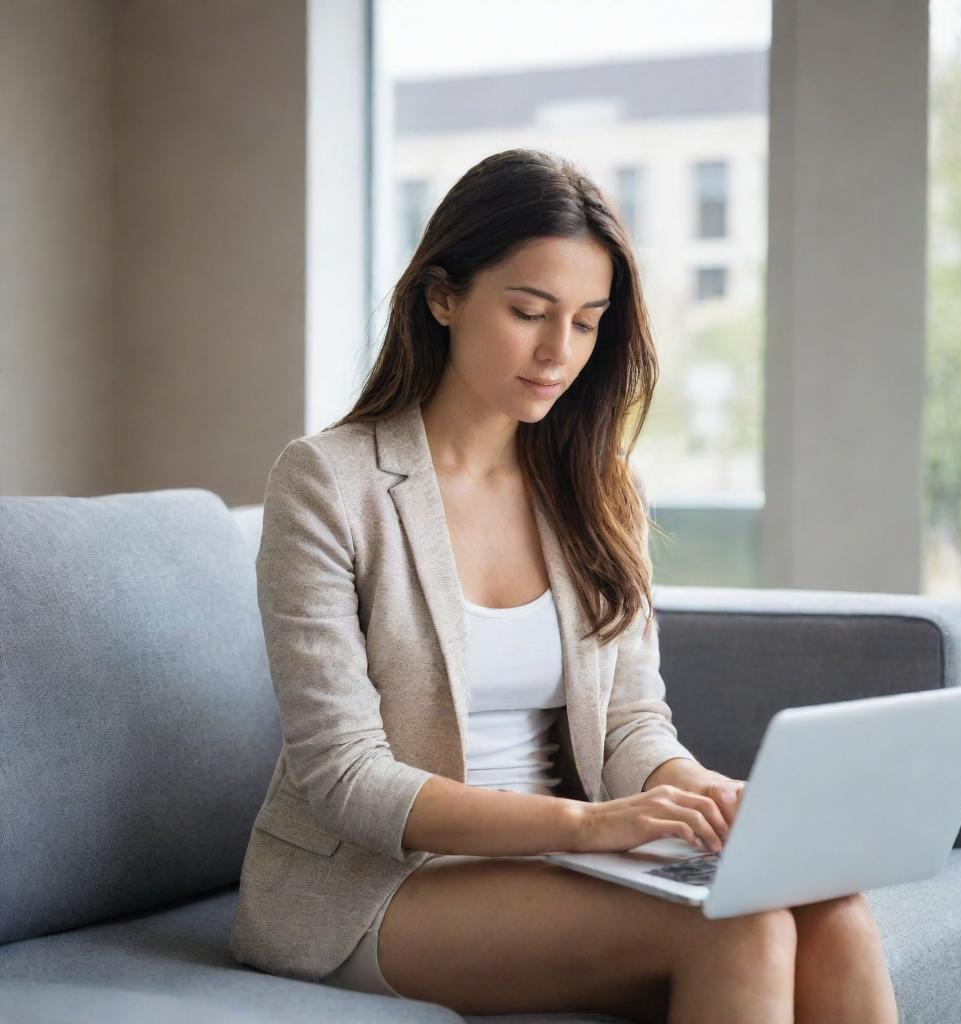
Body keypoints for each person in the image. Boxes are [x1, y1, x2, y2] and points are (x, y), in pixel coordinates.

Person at [234, 148, 898, 1024]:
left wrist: (695, 795)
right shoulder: (330, 481)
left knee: (833, 909)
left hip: (564, 858)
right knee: (737, 931)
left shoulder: (600, 486)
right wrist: (592, 827)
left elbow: (629, 720)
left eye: (587, 322)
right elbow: (346, 779)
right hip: (378, 885)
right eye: (528, 312)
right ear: (443, 297)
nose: (559, 352)